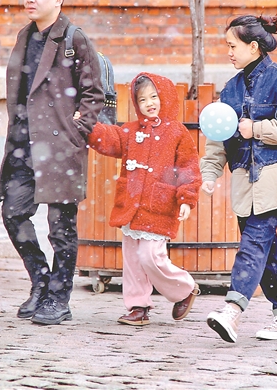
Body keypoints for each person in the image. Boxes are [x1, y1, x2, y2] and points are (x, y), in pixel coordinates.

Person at [201, 15, 277, 342]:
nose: (228, 52)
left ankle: (232, 310)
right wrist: (210, 173)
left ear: (253, 46)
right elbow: (218, 138)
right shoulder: (231, 89)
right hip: (247, 183)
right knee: (266, 251)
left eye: (233, 46)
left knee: (253, 242)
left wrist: (256, 129)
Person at [0, 0, 104, 325]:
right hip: (23, 145)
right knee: (13, 213)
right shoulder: (24, 36)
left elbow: (94, 94)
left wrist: (77, 132)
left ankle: (59, 298)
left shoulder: (74, 39)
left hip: (60, 147)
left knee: (61, 227)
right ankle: (41, 281)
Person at [82, 73, 202, 326]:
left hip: (159, 205)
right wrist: (86, 124)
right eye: (142, 99)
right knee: (133, 259)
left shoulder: (177, 132)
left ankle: (184, 288)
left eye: (154, 97)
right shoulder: (130, 130)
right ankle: (138, 306)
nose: (149, 103)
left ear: (165, 97)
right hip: (131, 205)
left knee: (150, 256)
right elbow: (109, 139)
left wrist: (186, 199)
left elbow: (188, 168)